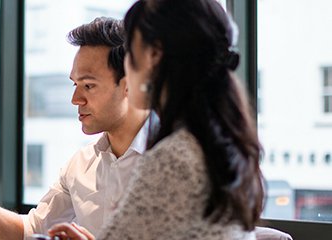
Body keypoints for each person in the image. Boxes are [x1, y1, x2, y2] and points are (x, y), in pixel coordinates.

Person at [48, 0, 264, 239]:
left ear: (153, 55)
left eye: (130, 51)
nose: (126, 73)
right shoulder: (215, 146)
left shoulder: (174, 159)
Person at [0, 17, 151, 240]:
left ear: (129, 85)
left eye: (89, 86)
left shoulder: (173, 159)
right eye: (75, 85)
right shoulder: (80, 166)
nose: (75, 99)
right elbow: (29, 232)